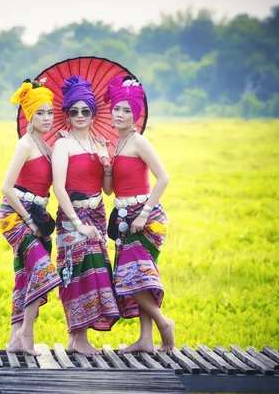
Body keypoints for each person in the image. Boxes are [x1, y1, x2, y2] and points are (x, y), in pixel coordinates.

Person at [103, 75, 175, 354]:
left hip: (145, 218)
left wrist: (144, 214)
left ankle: (163, 323)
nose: (120, 114)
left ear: (136, 116)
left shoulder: (139, 142)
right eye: (117, 109)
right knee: (139, 277)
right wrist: (108, 170)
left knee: (130, 276)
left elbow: (163, 178)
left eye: (126, 111)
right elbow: (109, 191)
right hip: (123, 219)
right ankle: (145, 339)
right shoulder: (116, 144)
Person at [52, 75, 120, 355]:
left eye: (85, 111)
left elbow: (107, 190)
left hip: (97, 215)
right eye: (74, 111)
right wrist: (78, 224)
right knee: (75, 272)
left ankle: (78, 340)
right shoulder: (62, 145)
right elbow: (58, 188)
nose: (80, 116)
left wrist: (106, 165)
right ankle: (77, 339)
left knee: (96, 271)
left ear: (93, 114)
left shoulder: (99, 144)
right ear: (67, 114)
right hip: (72, 218)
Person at [0, 78, 62, 356]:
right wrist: (28, 220)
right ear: (29, 116)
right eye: (40, 113)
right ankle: (26, 334)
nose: (47, 118)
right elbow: (6, 187)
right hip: (16, 215)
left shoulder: (46, 144)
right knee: (42, 269)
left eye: (50, 112)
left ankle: (15, 340)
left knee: (25, 276)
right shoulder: (25, 144)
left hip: (36, 214)